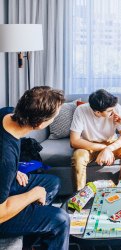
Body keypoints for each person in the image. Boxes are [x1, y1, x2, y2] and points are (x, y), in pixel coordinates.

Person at [0, 86, 70, 250]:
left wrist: (13, 170)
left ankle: (29, 238)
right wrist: (32, 195)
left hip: (7, 179)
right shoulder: (5, 158)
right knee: (60, 220)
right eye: (54, 117)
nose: (54, 119)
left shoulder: (6, 113)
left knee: (52, 183)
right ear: (40, 124)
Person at [70, 89, 121, 190]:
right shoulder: (81, 110)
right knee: (78, 158)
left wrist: (108, 149)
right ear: (97, 112)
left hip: (111, 142)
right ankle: (80, 197)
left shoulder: (116, 108)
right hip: (88, 144)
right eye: (109, 111)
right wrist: (103, 148)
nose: (113, 112)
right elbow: (74, 141)